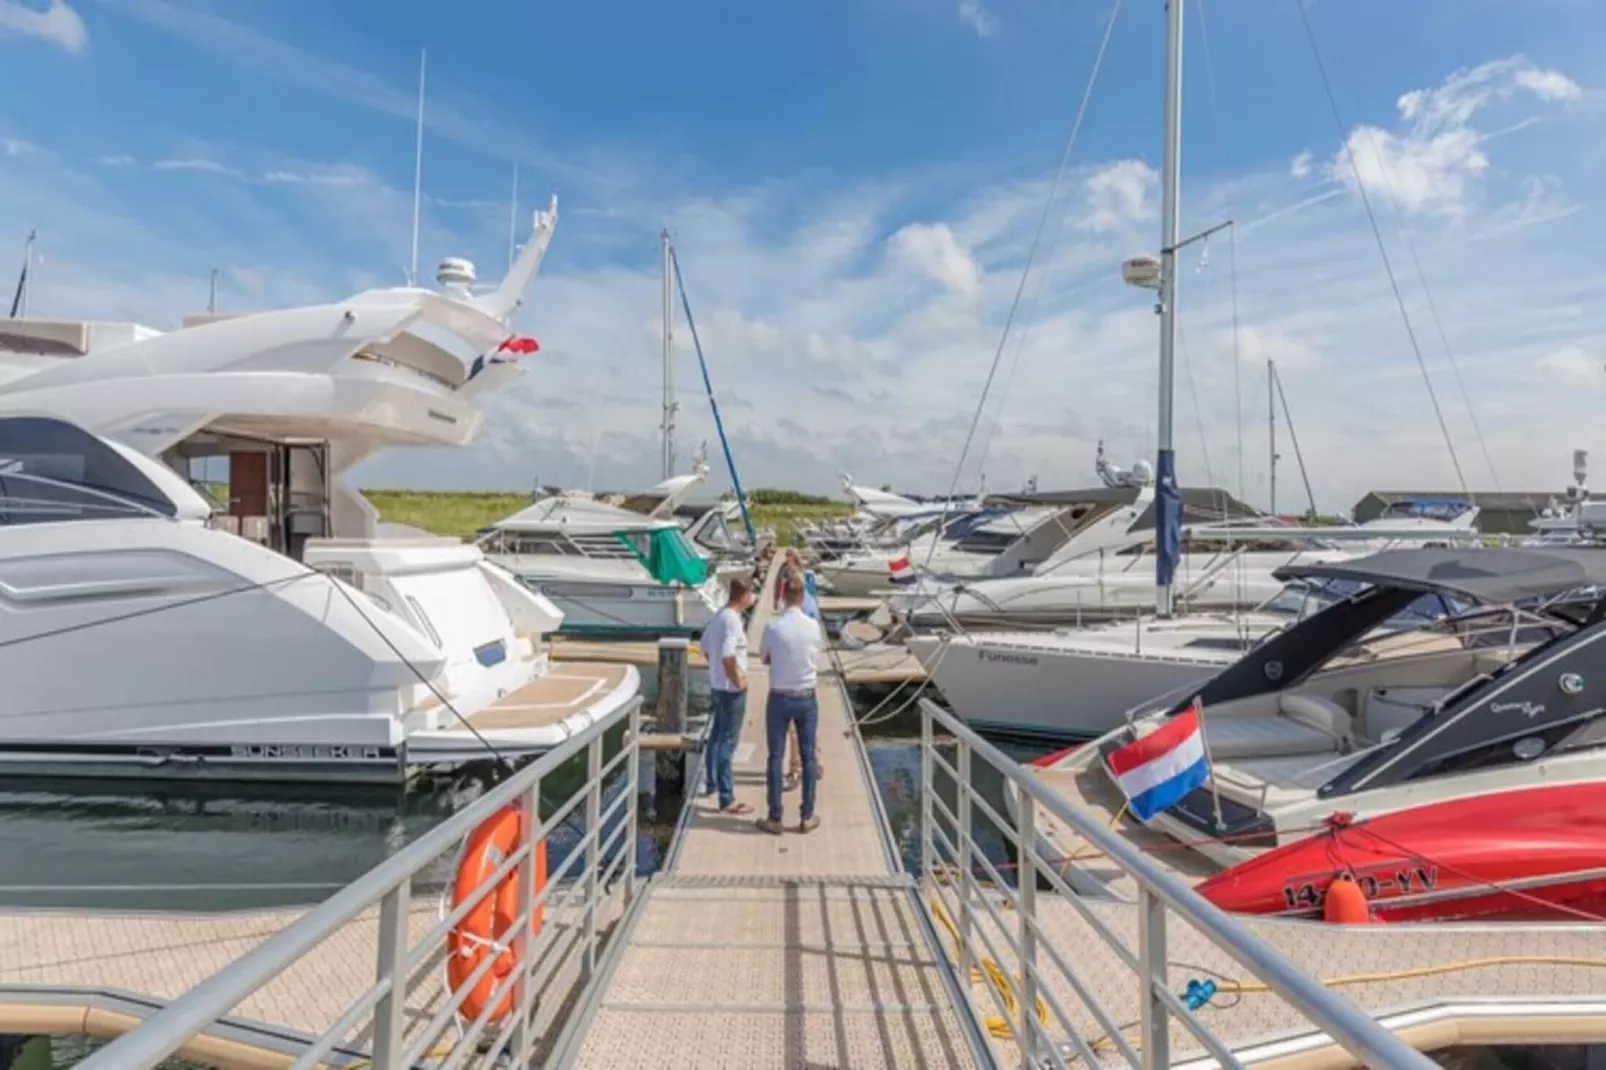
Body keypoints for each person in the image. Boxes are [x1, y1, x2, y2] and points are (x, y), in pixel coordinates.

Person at [757, 574, 823, 834]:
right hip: (806, 696)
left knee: (775, 756)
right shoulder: (813, 626)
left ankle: (775, 816)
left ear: (783, 596)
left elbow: (764, 657)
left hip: (779, 695)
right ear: (803, 597)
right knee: (808, 757)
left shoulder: (772, 627)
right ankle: (807, 815)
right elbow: (814, 653)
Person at [700, 575, 755, 815]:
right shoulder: (732, 621)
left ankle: (711, 782)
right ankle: (727, 797)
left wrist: (716, 673)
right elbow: (728, 655)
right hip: (731, 690)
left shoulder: (718, 617)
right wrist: (738, 680)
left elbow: (704, 647)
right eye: (751, 594)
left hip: (717, 686)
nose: (753, 598)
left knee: (716, 736)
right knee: (727, 742)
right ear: (743, 596)